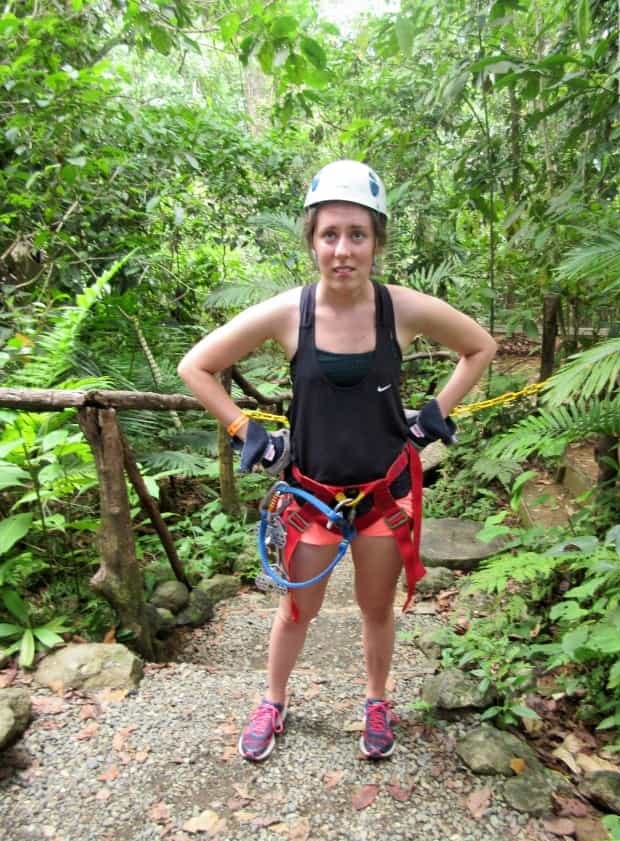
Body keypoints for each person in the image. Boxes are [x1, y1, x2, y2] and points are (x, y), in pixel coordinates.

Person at [177, 159, 497, 763]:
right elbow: (196, 366)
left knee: (376, 609)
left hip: (382, 495)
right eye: (330, 235)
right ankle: (273, 700)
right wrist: (246, 429)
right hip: (312, 497)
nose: (343, 250)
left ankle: (376, 701)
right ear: (312, 241)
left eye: (357, 235)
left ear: (377, 242)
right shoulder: (287, 313)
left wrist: (435, 413)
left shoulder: (399, 310)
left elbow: (479, 347)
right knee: (297, 608)